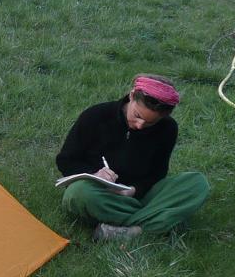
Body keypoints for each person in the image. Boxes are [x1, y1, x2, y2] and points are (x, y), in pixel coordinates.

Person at [56, 74, 210, 241]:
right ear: (131, 96)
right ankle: (156, 223)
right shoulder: (95, 115)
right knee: (77, 193)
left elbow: (157, 175)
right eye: (137, 115)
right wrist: (94, 174)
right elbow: (66, 160)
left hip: (136, 197)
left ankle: (131, 230)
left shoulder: (168, 128)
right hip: (100, 195)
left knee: (197, 183)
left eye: (150, 123)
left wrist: (133, 190)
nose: (140, 125)